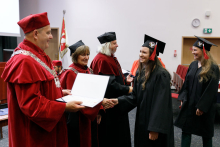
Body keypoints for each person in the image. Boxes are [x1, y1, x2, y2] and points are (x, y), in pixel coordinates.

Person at [1, 12, 86, 147]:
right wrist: (64, 107)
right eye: (47, 33)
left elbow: (42, 88)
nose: (51, 36)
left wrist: (59, 92)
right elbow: (32, 105)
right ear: (35, 34)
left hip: (46, 130)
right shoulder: (24, 61)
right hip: (35, 135)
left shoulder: (38, 55)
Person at [107, 34, 174, 147]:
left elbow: (160, 104)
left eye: (144, 52)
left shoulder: (161, 75)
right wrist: (118, 101)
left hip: (155, 122)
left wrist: (154, 128)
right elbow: (135, 96)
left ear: (152, 55)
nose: (140, 55)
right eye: (140, 51)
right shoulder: (140, 72)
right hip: (142, 119)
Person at [60, 40, 113, 147]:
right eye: (82, 55)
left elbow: (95, 93)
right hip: (77, 117)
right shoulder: (70, 72)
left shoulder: (88, 70)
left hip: (90, 113)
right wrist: (98, 105)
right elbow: (75, 98)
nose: (86, 57)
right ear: (75, 56)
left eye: (88, 54)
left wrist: (98, 111)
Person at [174, 36, 219, 147]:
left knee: (206, 134)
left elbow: (211, 89)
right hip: (189, 104)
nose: (193, 52)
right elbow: (187, 85)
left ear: (203, 50)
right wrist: (183, 98)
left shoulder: (213, 67)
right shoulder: (193, 65)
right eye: (192, 49)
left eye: (195, 50)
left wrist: (202, 106)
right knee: (186, 130)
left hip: (204, 108)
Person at [90, 32, 133, 147]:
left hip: (114, 103)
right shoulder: (102, 60)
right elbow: (110, 85)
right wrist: (127, 89)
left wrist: (125, 81)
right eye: (114, 43)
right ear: (107, 45)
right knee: (112, 136)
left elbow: (115, 77)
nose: (117, 45)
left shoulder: (108, 57)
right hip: (110, 106)